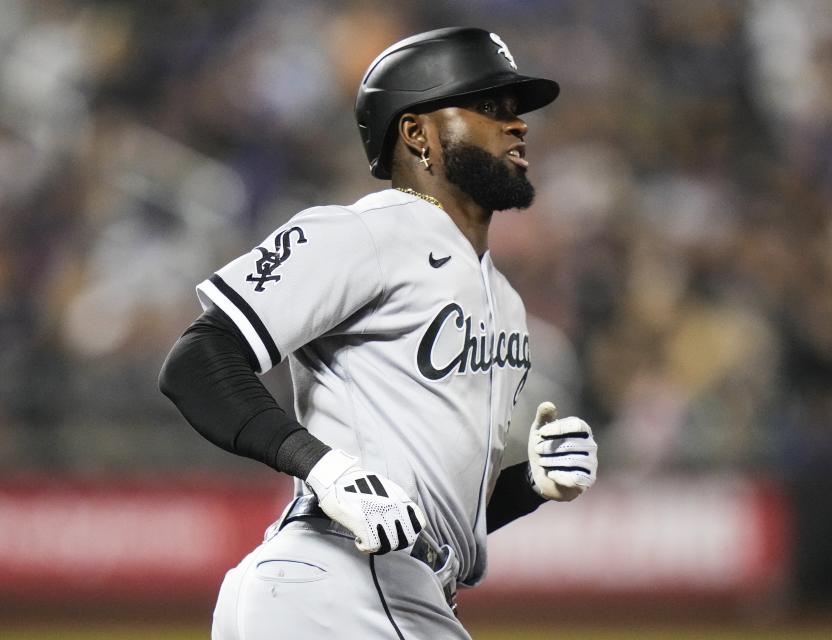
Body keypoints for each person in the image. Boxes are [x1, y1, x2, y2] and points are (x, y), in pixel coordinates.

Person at [159, 27, 598, 639]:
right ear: (416, 133)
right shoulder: (362, 234)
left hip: (383, 590)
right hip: (336, 585)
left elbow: (423, 518)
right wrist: (325, 470)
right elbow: (197, 361)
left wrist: (529, 485)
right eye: (488, 108)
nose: (517, 124)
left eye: (516, 110)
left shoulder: (506, 301)